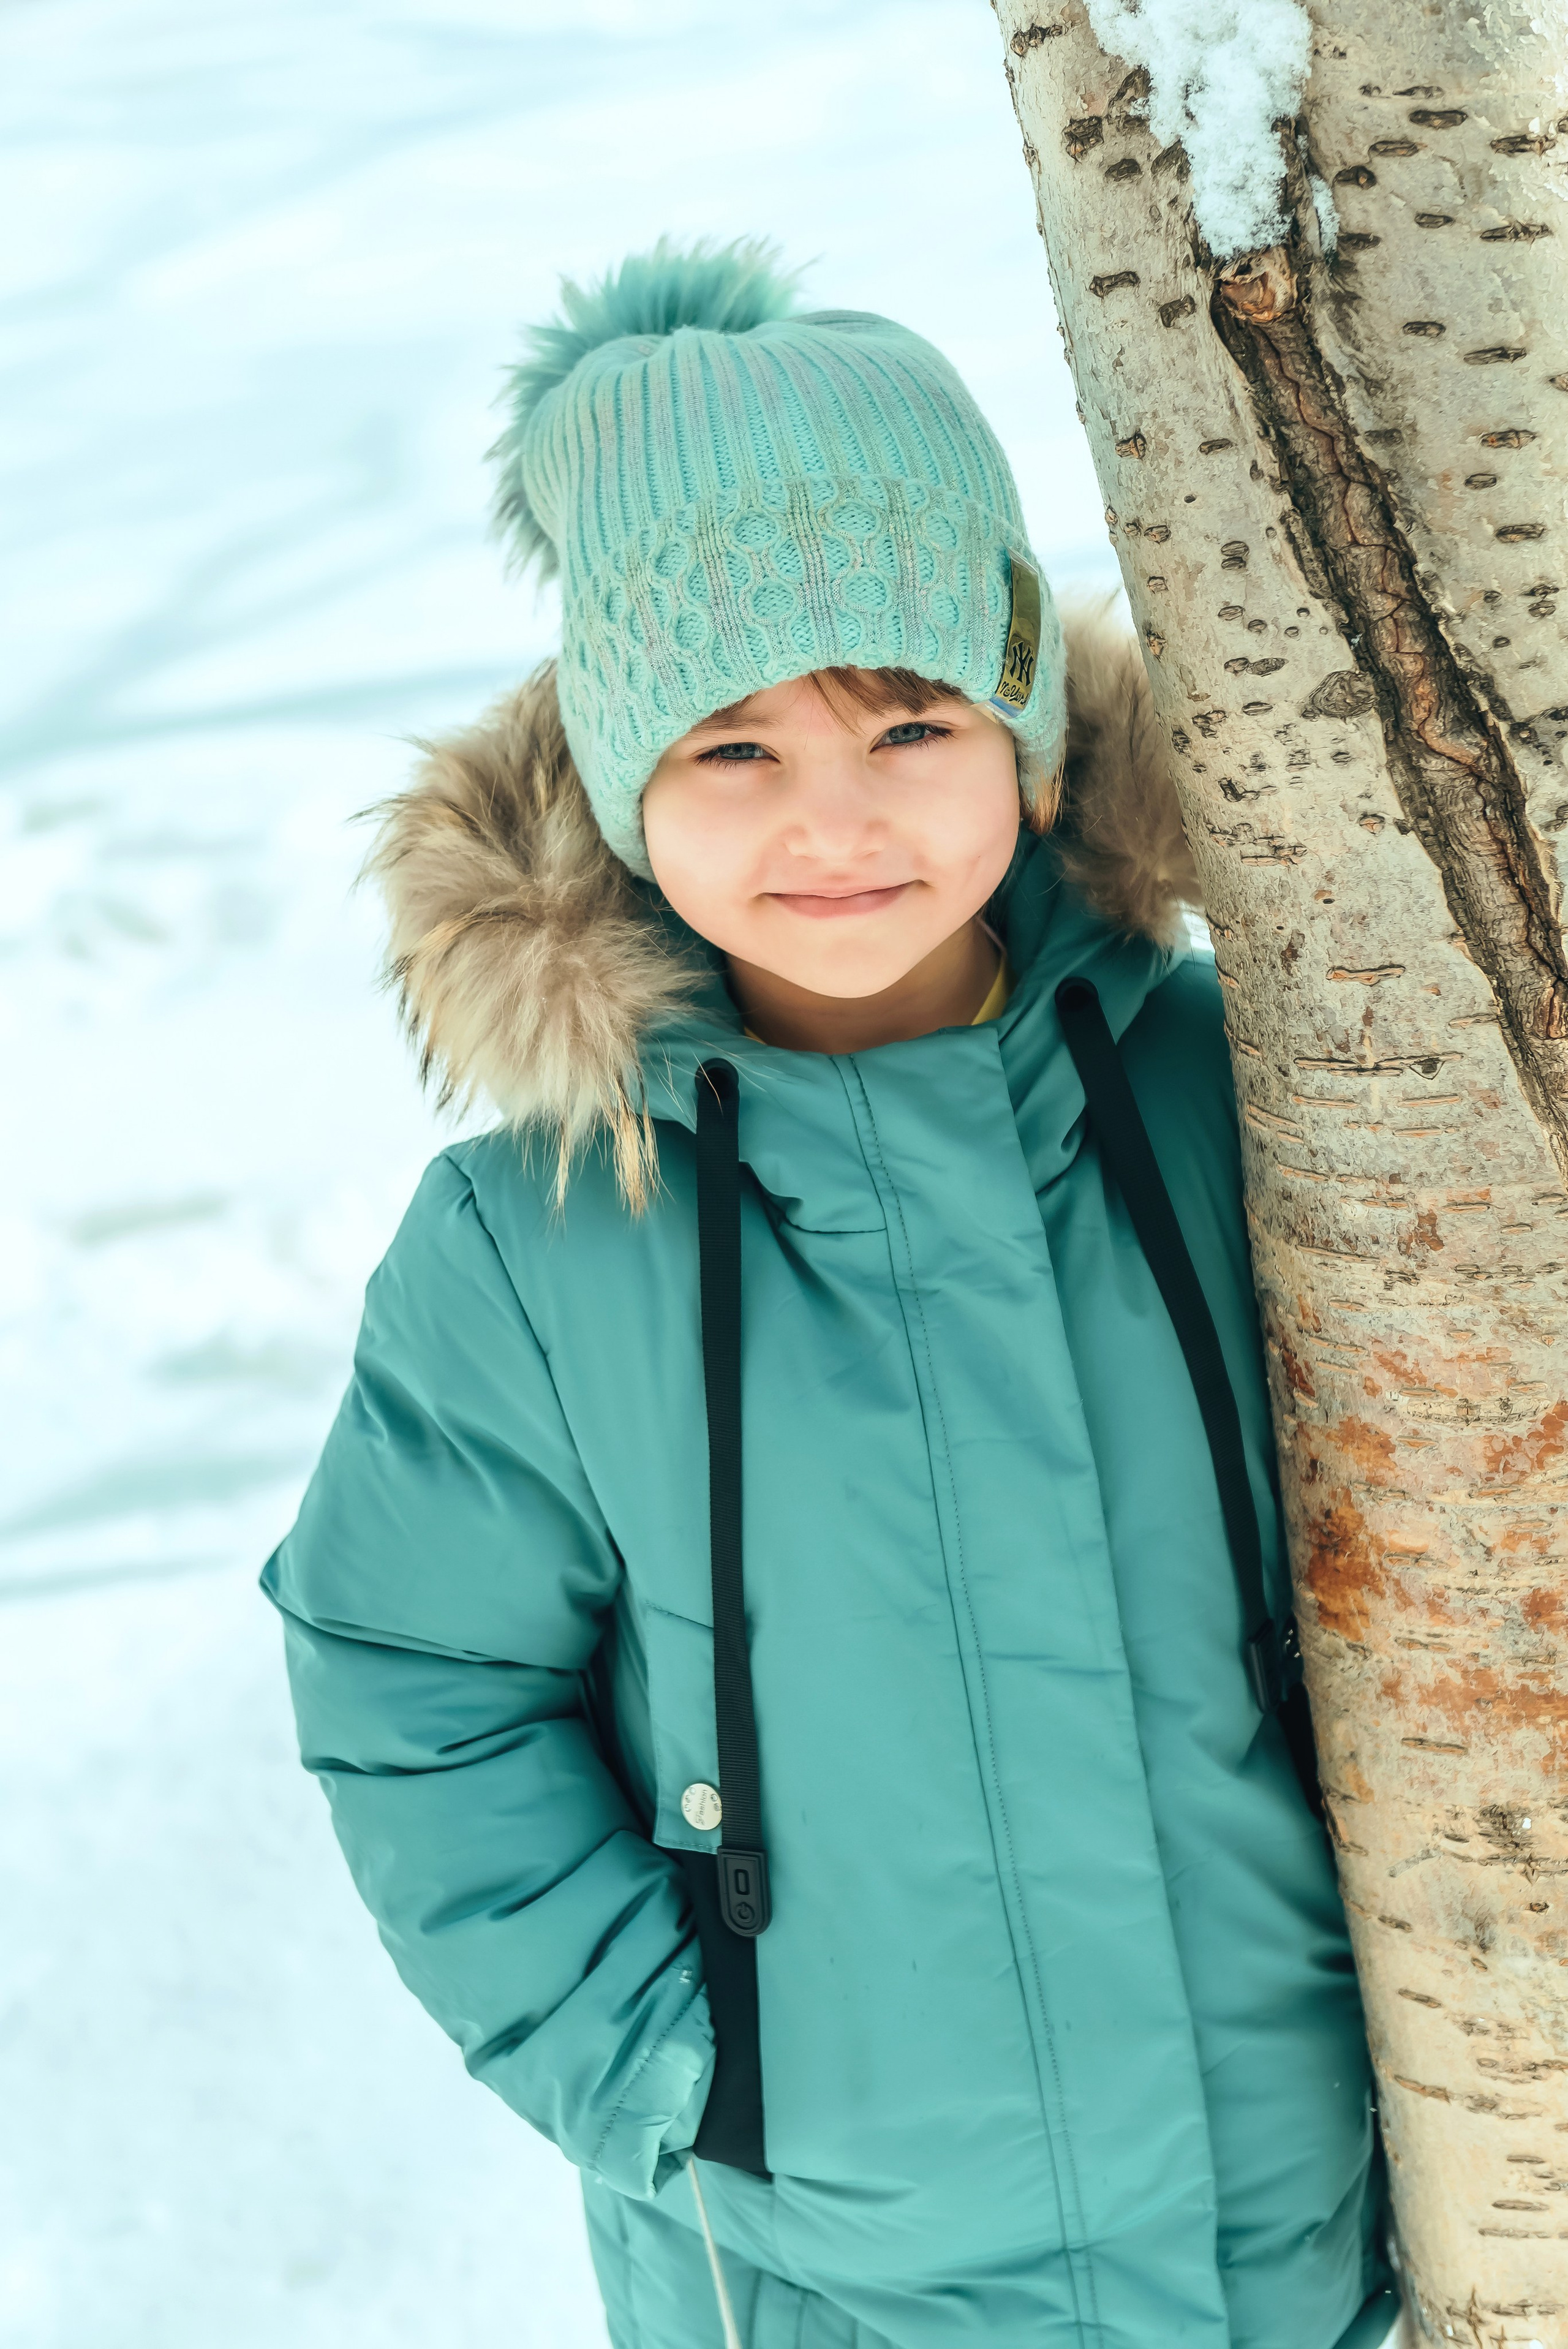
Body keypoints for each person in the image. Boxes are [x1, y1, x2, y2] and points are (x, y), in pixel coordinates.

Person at [263, 240, 1400, 2349]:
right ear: (622, 784)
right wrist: (674, 2077)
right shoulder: (537, 1244)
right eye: (734, 750)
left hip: (1310, 2237)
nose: (841, 821)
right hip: (837, 2276)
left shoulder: (1244, 1094)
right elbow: (412, 1681)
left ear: (1031, 741)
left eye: (907, 718)